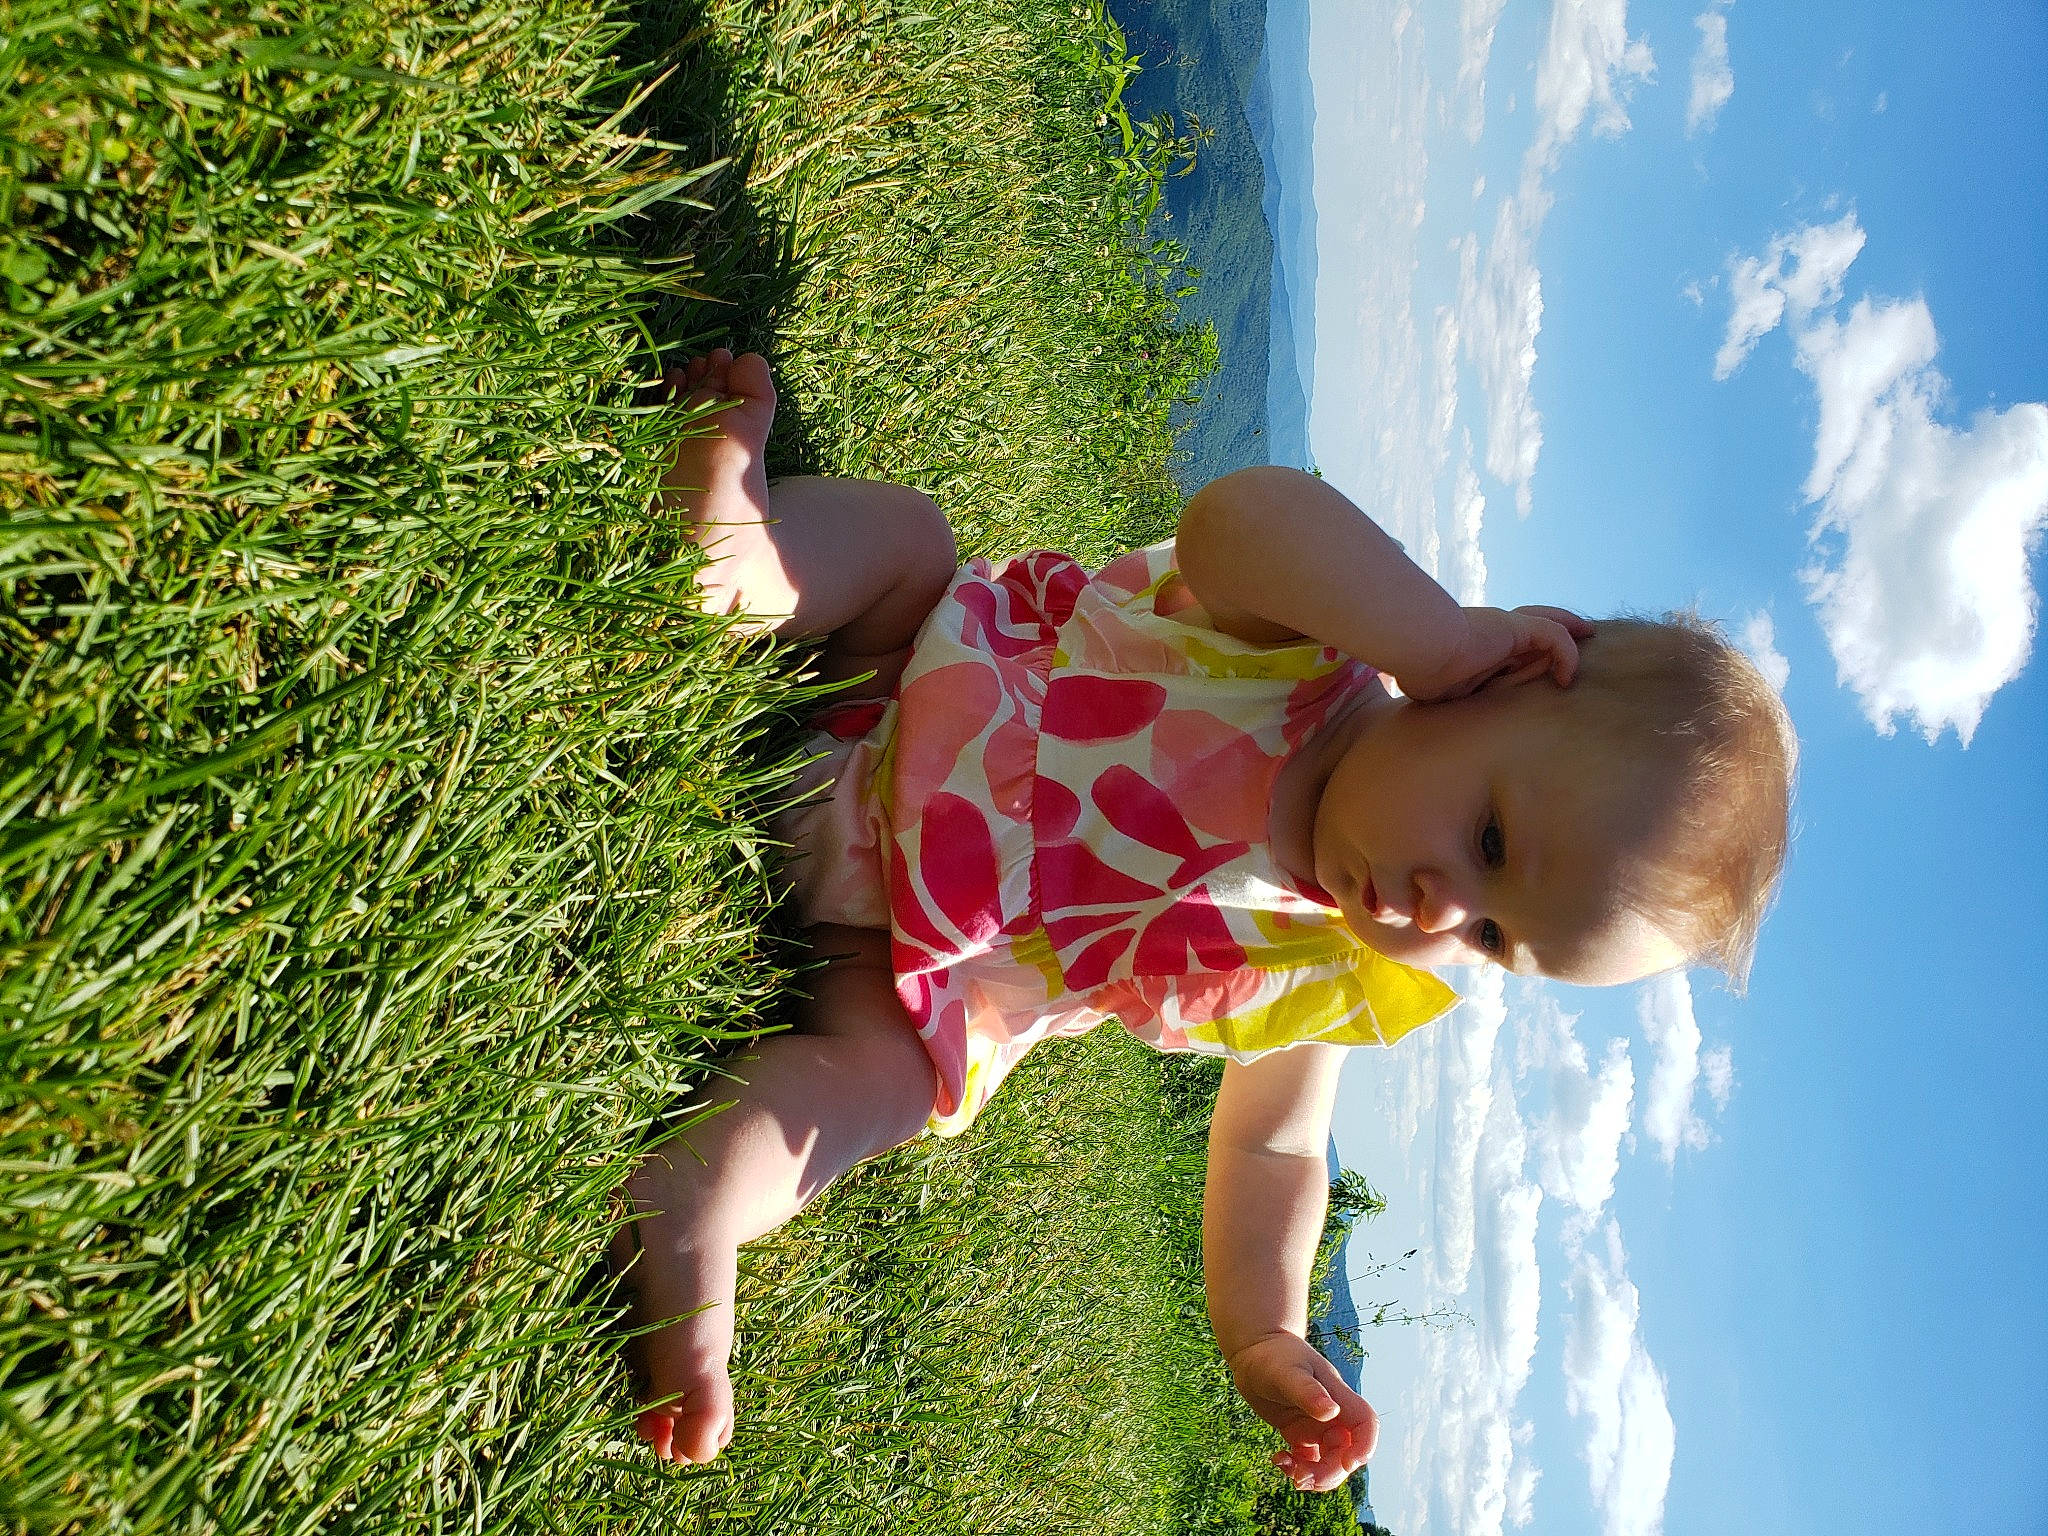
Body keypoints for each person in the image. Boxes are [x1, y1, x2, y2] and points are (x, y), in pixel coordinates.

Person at [610, 349, 1796, 1491]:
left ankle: (698, 1199)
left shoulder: (1319, 966)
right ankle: (733, 559)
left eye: (1490, 937)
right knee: (905, 544)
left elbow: (1274, 1148)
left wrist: (1263, 1330)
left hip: (901, 957)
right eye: (1486, 841)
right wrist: (1429, 636)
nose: (1444, 908)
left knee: (877, 1089)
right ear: (1500, 670)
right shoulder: (1298, 650)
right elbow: (1240, 516)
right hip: (893, 675)